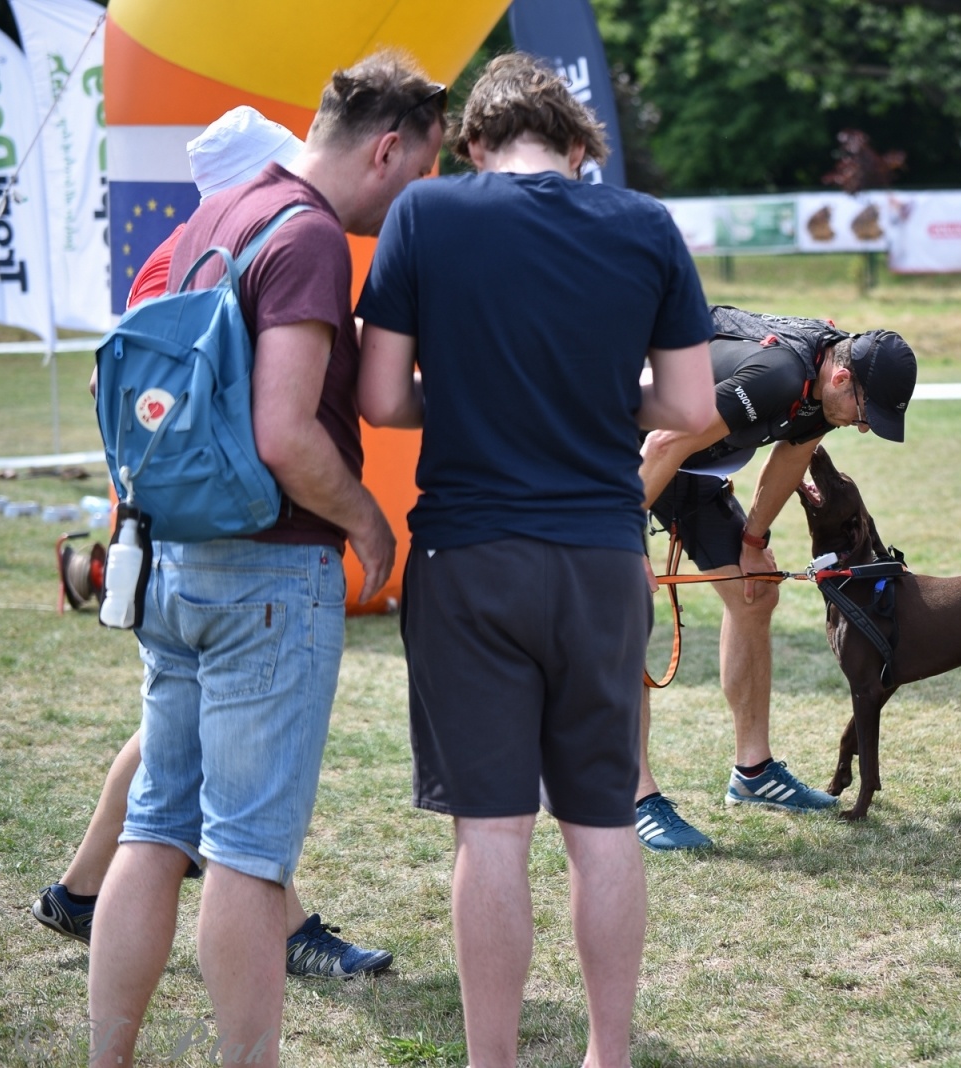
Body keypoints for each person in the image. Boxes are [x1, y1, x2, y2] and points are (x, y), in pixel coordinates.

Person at [356, 54, 715, 1068]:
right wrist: (600, 400)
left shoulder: (426, 216)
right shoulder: (645, 225)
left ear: (475, 142)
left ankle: (494, 1061)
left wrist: (472, 398)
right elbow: (689, 409)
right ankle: (609, 1052)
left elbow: (382, 399)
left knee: (493, 830)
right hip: (601, 556)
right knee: (602, 821)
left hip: (469, 556)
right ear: (576, 148)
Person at [86, 55, 445, 1068]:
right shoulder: (312, 235)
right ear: (387, 147)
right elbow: (287, 433)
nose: (410, 195)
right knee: (246, 852)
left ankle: (105, 1056)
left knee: (156, 828)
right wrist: (372, 525)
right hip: (271, 573)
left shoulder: (220, 214)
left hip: (180, 558)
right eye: (416, 170)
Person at [35, 106, 391, 981]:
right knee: (237, 821)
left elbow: (109, 378)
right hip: (243, 537)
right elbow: (279, 427)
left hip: (171, 528)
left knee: (171, 783)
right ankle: (278, 925)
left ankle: (82, 893)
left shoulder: (184, 250)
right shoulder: (277, 242)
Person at [633, 305, 918, 852]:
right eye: (865, 412)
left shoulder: (824, 386)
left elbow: (792, 456)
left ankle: (754, 771)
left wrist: (754, 541)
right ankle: (635, 796)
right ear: (842, 378)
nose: (862, 425)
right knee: (619, 609)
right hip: (625, 450)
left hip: (687, 462)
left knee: (754, 593)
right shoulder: (780, 376)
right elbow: (664, 441)